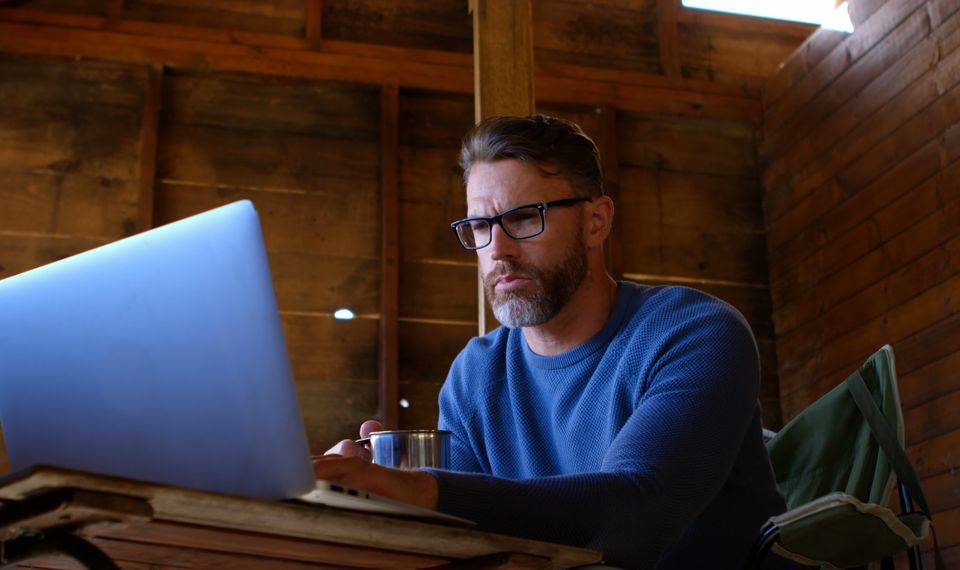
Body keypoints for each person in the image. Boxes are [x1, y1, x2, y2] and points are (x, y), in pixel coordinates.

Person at [315, 114, 790, 569]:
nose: (497, 250)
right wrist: (373, 494)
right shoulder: (476, 373)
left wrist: (418, 490)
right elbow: (459, 532)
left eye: (523, 218)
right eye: (480, 227)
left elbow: (633, 514)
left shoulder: (693, 332)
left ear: (596, 221)